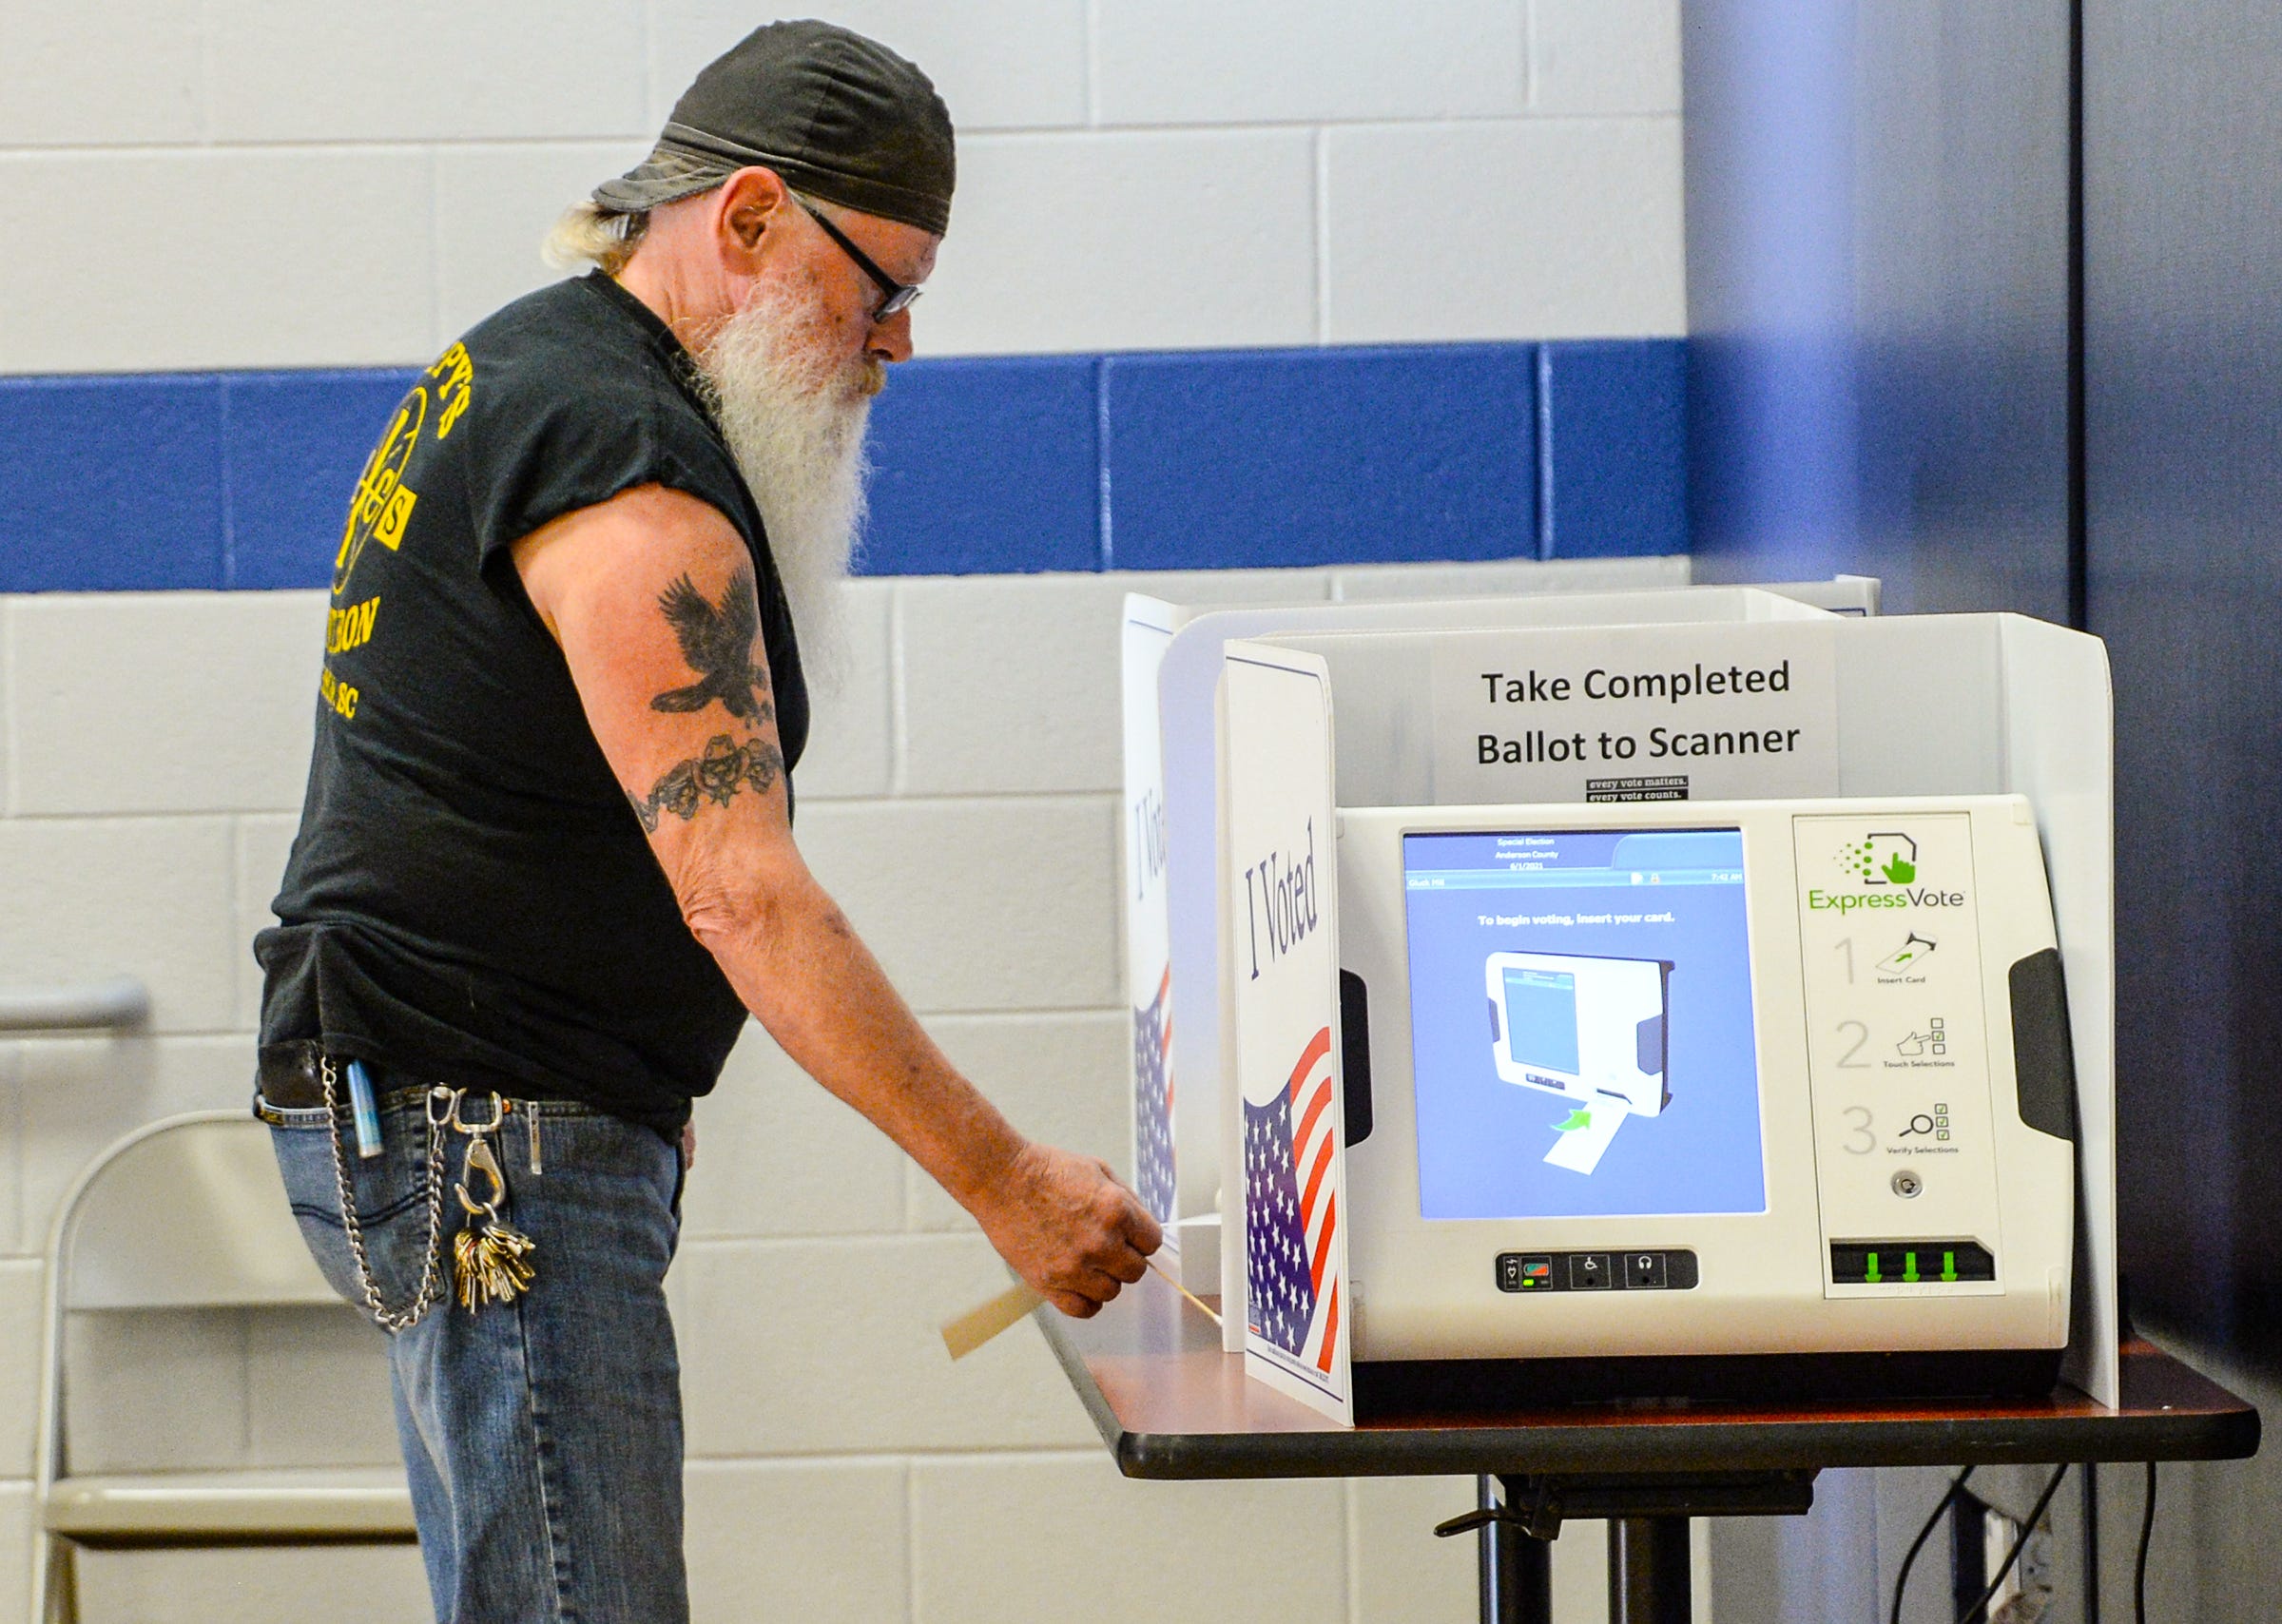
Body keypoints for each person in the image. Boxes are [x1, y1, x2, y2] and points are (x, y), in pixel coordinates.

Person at [252, 20, 1161, 1621]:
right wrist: (1006, 1181)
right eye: (879, 290)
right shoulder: (627, 468)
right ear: (746, 221)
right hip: (485, 1138)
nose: (893, 348)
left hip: (437, 1106)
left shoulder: (528, 364)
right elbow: (743, 894)